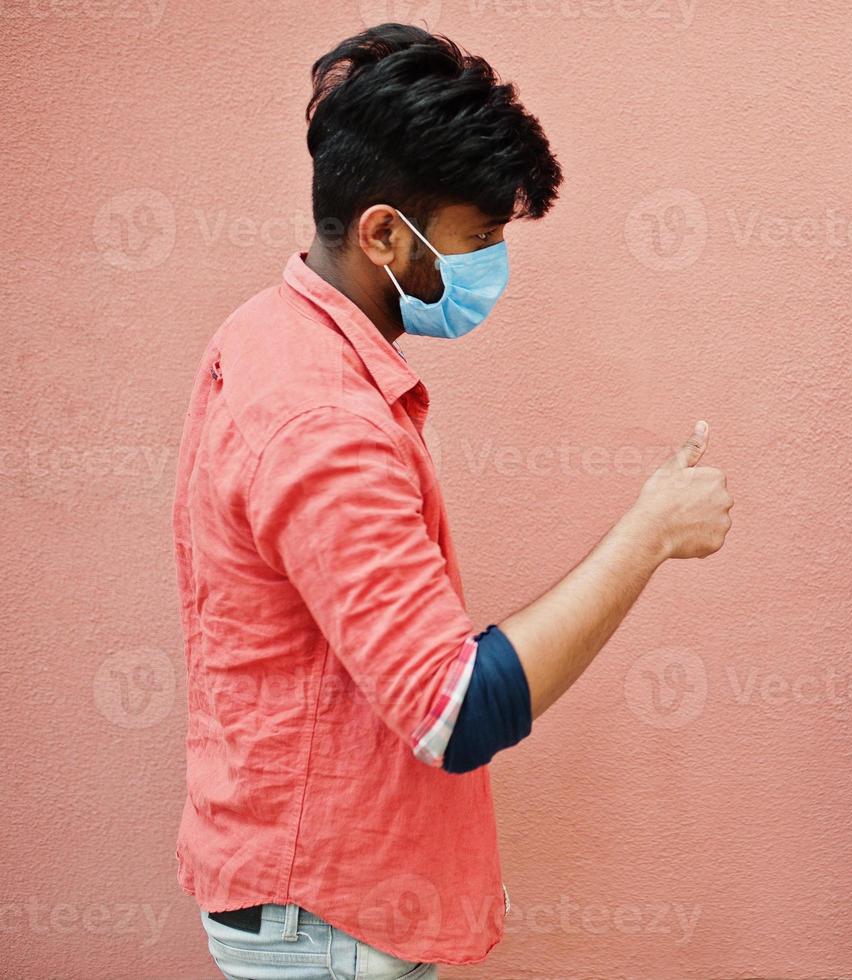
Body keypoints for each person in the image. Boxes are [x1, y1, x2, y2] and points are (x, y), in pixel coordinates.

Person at [172, 23, 733, 978]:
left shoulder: (270, 335)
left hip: (319, 903)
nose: (490, 269)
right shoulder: (323, 420)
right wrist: (648, 535)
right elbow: (454, 712)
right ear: (383, 232)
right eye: (477, 241)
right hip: (332, 923)